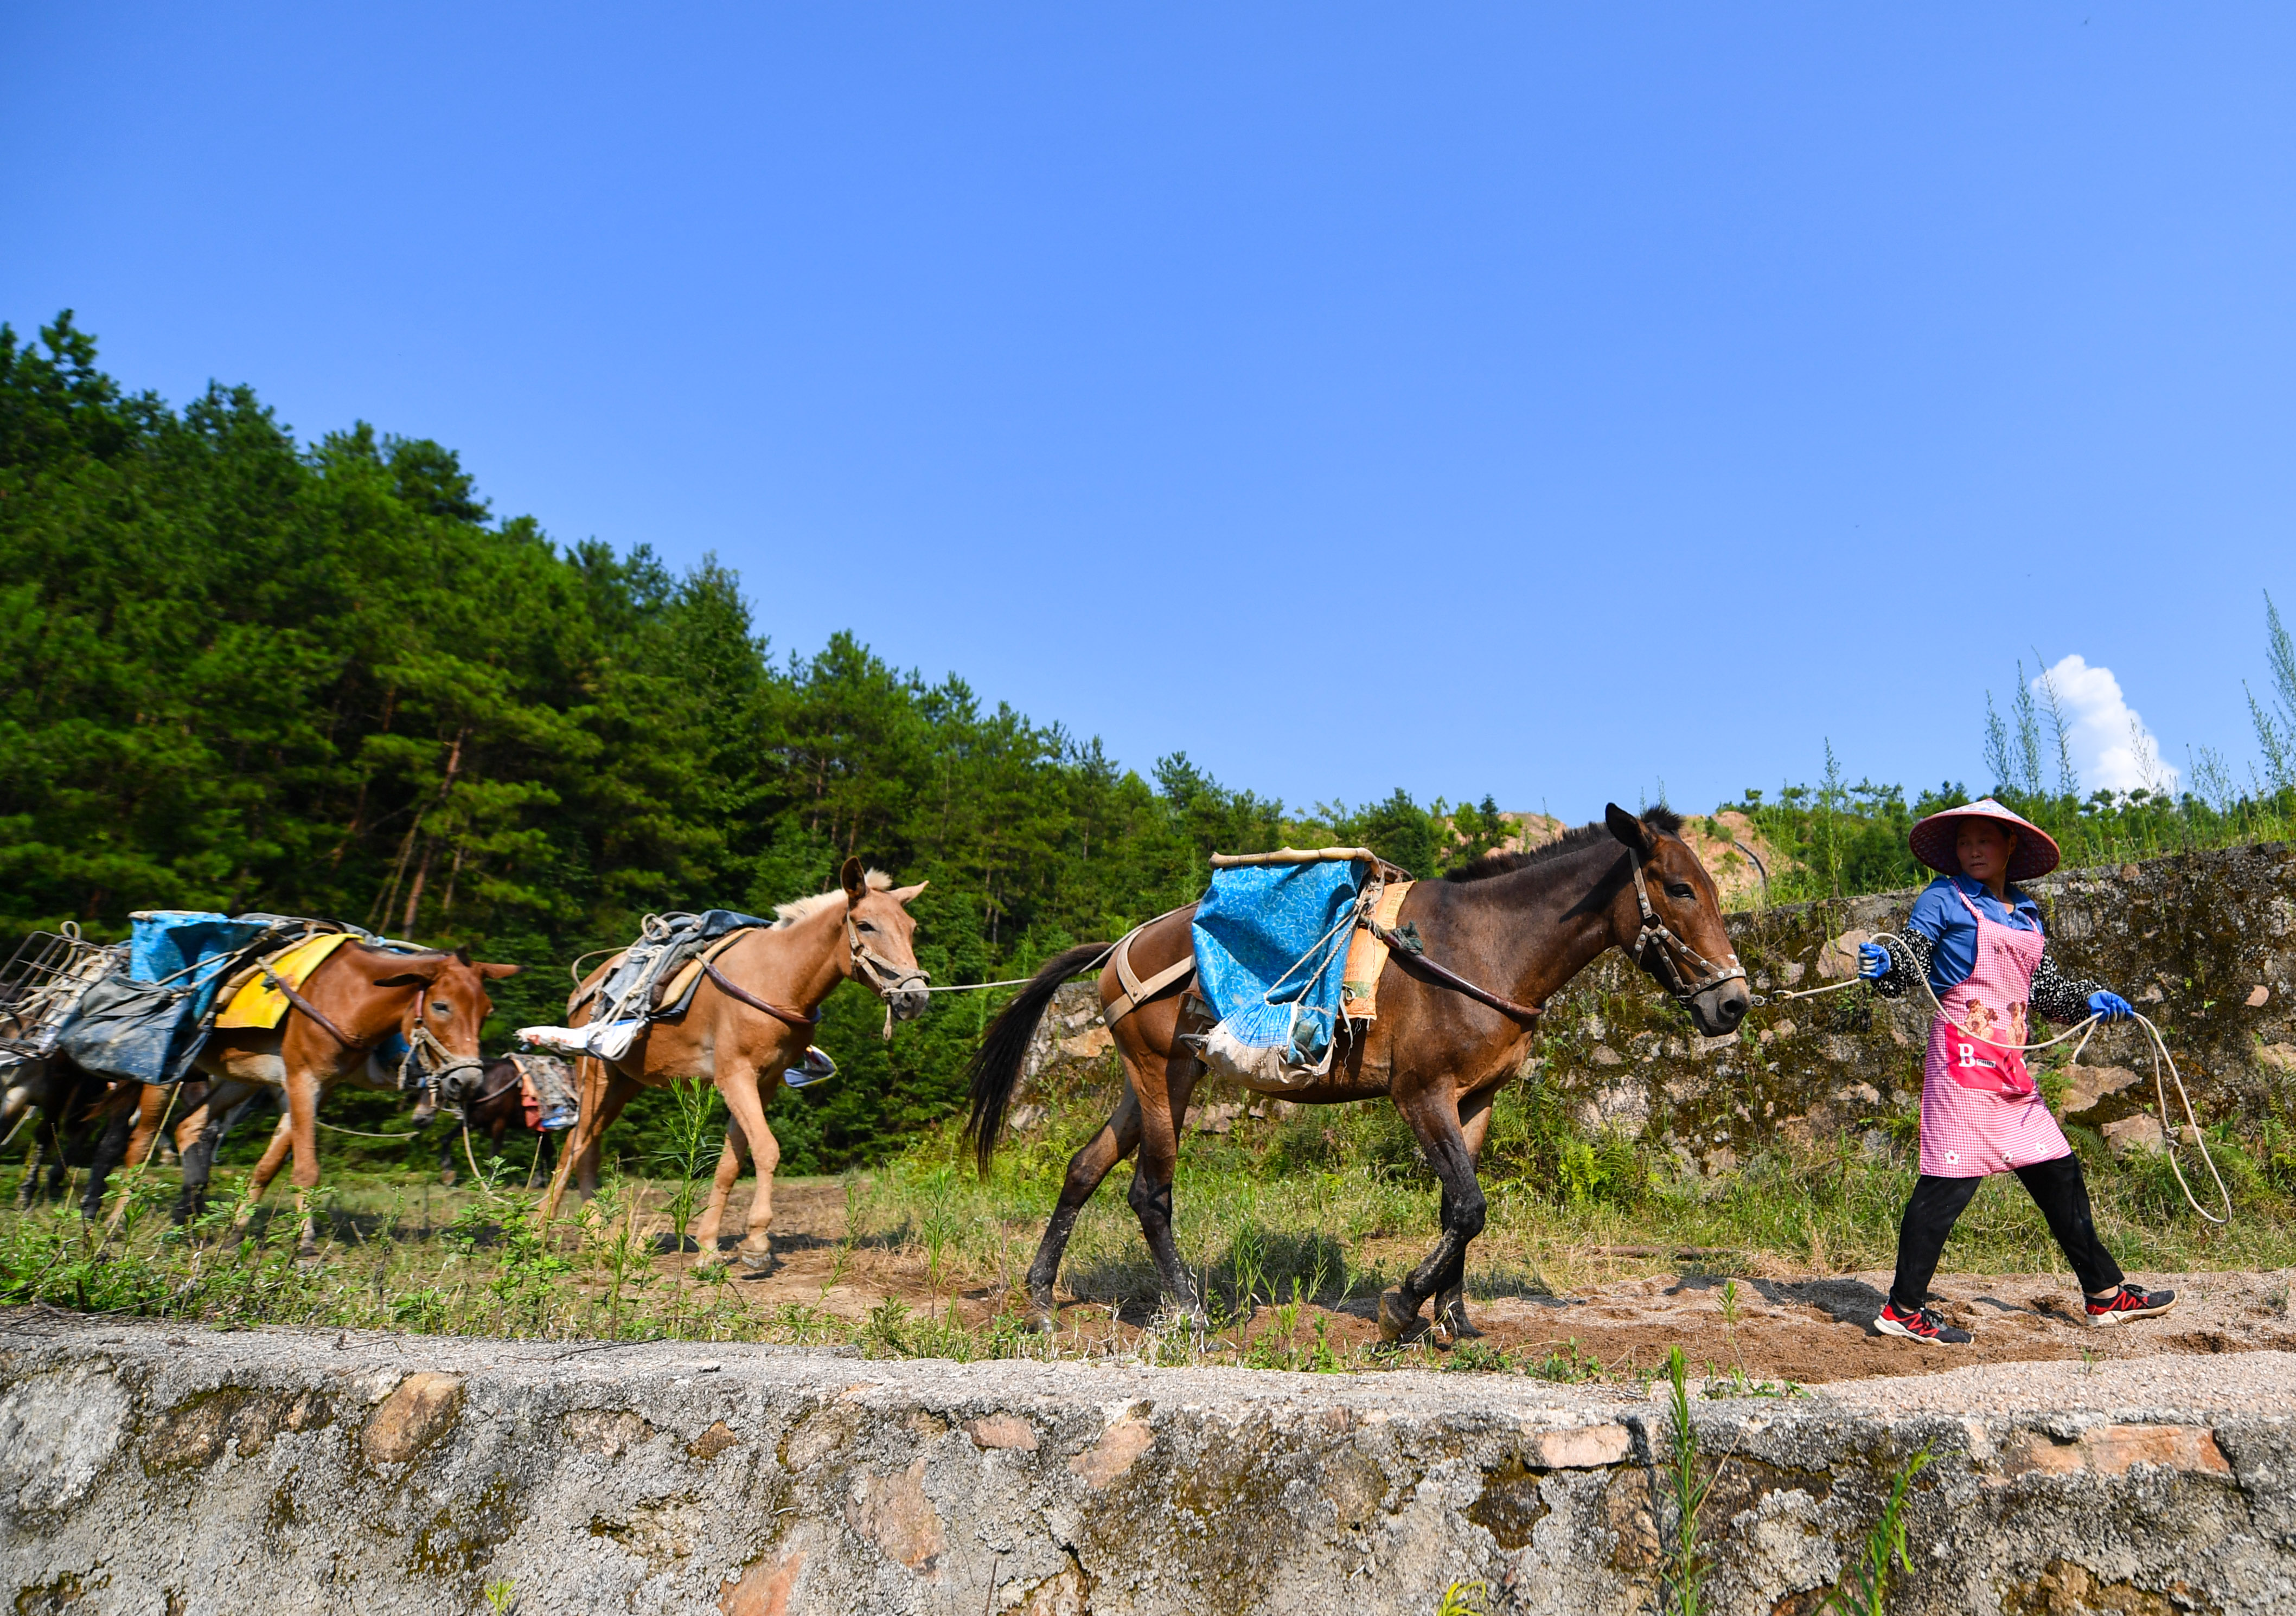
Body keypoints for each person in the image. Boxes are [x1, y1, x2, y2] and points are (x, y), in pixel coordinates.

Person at [1857, 798, 2175, 1343]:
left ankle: (2104, 1294)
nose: (1973, 849)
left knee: (2058, 1169)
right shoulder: (1943, 898)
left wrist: (2088, 998)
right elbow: (1912, 953)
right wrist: (1889, 965)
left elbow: (2045, 993)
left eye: (1984, 839)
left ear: (2010, 847)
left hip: (2009, 1070)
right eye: (1964, 841)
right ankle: (1904, 1309)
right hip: (1961, 1066)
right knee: (1947, 1184)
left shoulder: (2027, 913)